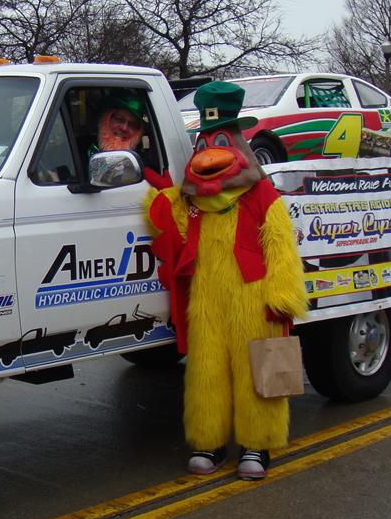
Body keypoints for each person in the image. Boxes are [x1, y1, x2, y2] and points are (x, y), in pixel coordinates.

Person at [145, 81, 307, 480]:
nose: (210, 152)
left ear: (239, 144)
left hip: (253, 296)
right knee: (207, 369)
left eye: (220, 141)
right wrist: (163, 201)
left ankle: (257, 443)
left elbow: (281, 246)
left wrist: (282, 294)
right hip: (207, 297)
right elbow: (178, 233)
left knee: (256, 369)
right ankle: (210, 440)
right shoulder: (195, 201)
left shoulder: (262, 195)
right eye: (204, 143)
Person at [87, 92, 159, 170]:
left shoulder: (141, 164)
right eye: (119, 119)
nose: (124, 128)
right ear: (106, 119)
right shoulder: (80, 152)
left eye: (132, 124)